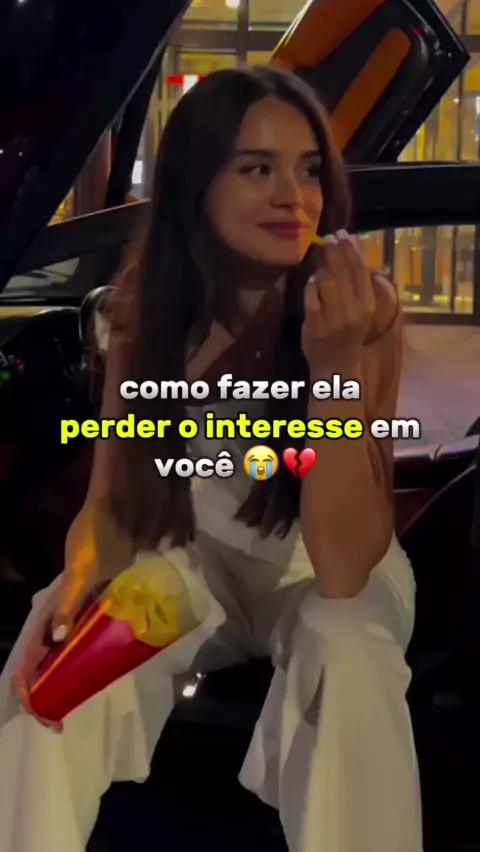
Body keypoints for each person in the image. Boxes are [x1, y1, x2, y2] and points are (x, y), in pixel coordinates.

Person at [0, 66, 421, 852]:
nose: (293, 196)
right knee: (47, 681)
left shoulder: (361, 310)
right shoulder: (141, 318)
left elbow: (344, 568)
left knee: (345, 647)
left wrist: (333, 367)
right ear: (196, 188)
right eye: (257, 169)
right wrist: (72, 590)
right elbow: (113, 504)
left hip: (327, 570)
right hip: (200, 564)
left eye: (307, 170)